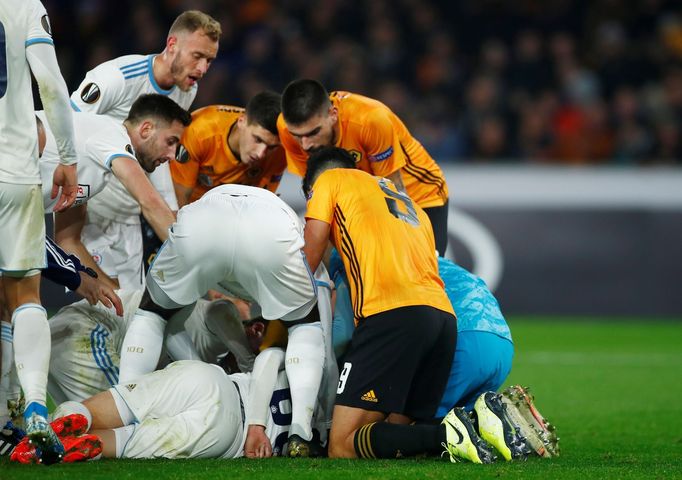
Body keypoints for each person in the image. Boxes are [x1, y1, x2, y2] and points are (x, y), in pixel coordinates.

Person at [300, 146, 493, 463]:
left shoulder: (329, 180)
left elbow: (310, 255)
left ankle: (456, 431)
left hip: (390, 315)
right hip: (443, 321)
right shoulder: (408, 203)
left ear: (311, 188)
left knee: (341, 445)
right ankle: (474, 430)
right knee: (391, 435)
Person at [129, 184, 333, 457]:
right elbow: (321, 351)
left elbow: (183, 319)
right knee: (305, 327)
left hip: (205, 217)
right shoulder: (302, 250)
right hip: (272, 228)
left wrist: (199, 370)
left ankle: (129, 410)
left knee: (153, 314)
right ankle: (302, 432)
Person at [70, 10, 221, 288]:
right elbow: (67, 129)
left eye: (209, 60)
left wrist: (170, 209)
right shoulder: (115, 78)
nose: (202, 69)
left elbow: (159, 154)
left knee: (127, 311)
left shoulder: (187, 91)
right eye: (197, 56)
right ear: (172, 44)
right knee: (103, 305)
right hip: (90, 213)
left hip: (130, 214)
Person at [0, 0, 78, 464]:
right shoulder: (23, 3)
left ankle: (7, 413)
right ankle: (31, 406)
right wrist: (66, 154)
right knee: (23, 293)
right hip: (11, 169)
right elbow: (49, 80)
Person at [13, 351, 302, 462]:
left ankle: (54, 426)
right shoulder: (321, 435)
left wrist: (256, 424)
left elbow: (269, 358)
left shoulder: (314, 369)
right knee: (124, 442)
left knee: (116, 406)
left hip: (213, 382)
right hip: (225, 438)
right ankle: (62, 449)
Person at [279, 79, 450, 254]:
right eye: (297, 136)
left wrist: (407, 245)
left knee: (424, 269)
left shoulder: (371, 120)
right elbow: (316, 191)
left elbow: (393, 190)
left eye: (313, 132)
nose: (305, 145)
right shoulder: (285, 128)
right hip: (364, 197)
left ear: (333, 114)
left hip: (418, 192)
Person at [39, 94, 192, 286]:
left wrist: (114, 294)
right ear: (146, 129)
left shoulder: (93, 164)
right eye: (170, 141)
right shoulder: (111, 134)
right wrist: (196, 260)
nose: (172, 155)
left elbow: (67, 240)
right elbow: (150, 203)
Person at [171, 91, 287, 208]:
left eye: (271, 147)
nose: (260, 154)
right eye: (257, 139)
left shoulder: (280, 151)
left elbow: (261, 206)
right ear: (242, 121)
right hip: (191, 209)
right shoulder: (198, 132)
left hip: (235, 214)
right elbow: (178, 202)